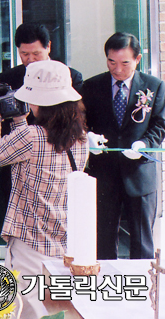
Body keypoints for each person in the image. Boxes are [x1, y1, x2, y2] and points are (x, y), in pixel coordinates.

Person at [0, 60, 89, 318]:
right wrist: (19, 121)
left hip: (30, 238)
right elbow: (29, 154)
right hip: (63, 236)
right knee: (54, 305)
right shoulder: (81, 138)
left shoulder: (31, 136)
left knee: (23, 308)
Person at [83, 32, 165, 260]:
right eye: (111, 62)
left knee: (142, 239)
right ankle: (105, 286)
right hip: (103, 172)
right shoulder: (92, 86)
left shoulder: (154, 86)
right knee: (103, 237)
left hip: (139, 173)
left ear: (137, 59)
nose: (117, 69)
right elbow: (81, 121)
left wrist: (145, 143)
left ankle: (143, 290)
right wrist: (88, 136)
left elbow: (161, 124)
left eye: (124, 63)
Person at [0, 23, 82, 92]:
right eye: (25, 54)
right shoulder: (8, 78)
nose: (31, 59)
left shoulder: (72, 77)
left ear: (48, 46)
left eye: (36, 53)